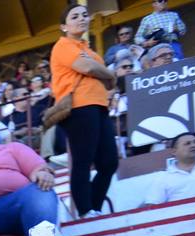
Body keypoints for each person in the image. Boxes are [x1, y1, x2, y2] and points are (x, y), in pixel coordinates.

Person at [51, 3, 118, 217]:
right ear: (64, 26)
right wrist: (107, 72)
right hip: (79, 106)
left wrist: (103, 73)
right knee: (83, 159)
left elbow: (109, 84)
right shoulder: (63, 45)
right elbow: (88, 68)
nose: (81, 18)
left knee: (109, 162)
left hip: (99, 106)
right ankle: (85, 210)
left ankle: (93, 209)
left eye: (84, 15)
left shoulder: (89, 51)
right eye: (75, 16)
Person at [141, 133, 195, 206]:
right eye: (187, 144)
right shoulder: (163, 178)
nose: (193, 145)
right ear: (174, 151)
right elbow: (152, 206)